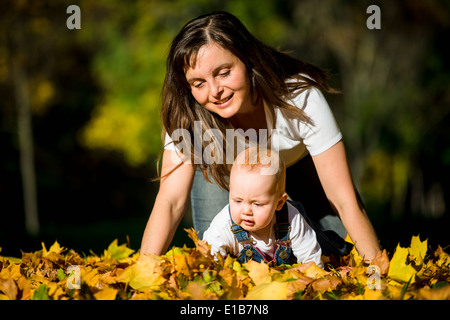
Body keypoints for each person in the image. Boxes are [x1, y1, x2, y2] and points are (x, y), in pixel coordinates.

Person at [140, 11, 380, 262]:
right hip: (223, 174)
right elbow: (170, 202)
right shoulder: (188, 117)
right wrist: (142, 274)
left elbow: (344, 200)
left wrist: (377, 272)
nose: (215, 91)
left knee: (338, 252)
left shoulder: (298, 98)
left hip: (298, 168)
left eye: (223, 72)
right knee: (220, 259)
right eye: (198, 83)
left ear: (246, 59)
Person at [203, 147, 323, 268]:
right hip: (246, 283)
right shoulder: (223, 225)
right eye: (238, 201)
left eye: (257, 204)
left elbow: (311, 260)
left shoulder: (292, 219)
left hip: (286, 281)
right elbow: (210, 258)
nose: (246, 211)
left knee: (329, 245)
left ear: (279, 203)